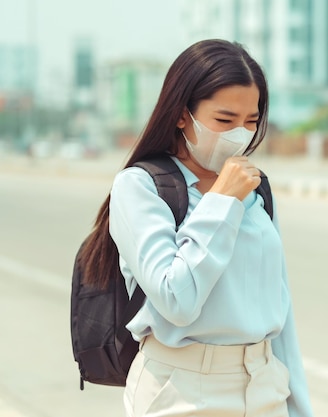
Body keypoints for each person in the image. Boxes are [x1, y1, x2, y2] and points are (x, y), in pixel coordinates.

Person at [80, 39, 314, 417]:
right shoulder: (139, 187)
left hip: (263, 384)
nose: (239, 134)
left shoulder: (256, 189)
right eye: (224, 120)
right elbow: (177, 299)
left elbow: (280, 314)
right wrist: (221, 203)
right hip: (180, 390)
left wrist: (299, 408)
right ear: (181, 114)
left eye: (251, 121)